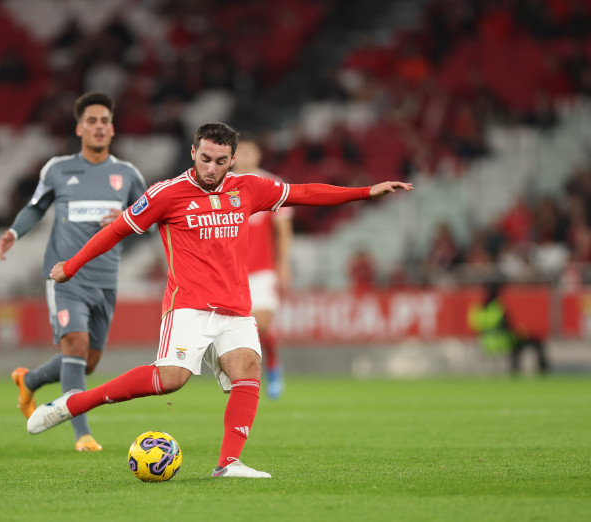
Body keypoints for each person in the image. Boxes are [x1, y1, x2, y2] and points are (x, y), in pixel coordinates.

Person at [27, 122, 413, 478]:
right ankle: (73, 404)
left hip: (235, 306)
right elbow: (116, 230)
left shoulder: (248, 188)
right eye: (205, 158)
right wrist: (73, 265)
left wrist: (366, 191)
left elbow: (304, 193)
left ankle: (228, 463)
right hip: (188, 305)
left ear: (233, 159)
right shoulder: (166, 193)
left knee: (248, 368)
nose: (211, 168)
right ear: (193, 151)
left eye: (221, 161)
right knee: (170, 380)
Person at [0, 92, 146, 452]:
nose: (98, 127)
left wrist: (128, 220)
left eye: (104, 121)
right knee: (75, 346)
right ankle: (82, 435)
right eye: (91, 121)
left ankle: (29, 380)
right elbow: (35, 207)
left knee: (87, 362)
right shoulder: (58, 169)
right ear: (79, 127)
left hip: (106, 279)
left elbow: (151, 220)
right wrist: (14, 232)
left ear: (112, 129)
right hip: (66, 278)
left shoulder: (127, 175)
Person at [231, 136, 292, 399]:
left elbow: (284, 228)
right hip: (230, 271)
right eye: (240, 152)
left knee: (263, 324)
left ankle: (273, 367)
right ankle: (243, 376)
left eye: (249, 151)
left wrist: (283, 264)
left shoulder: (272, 185)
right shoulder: (221, 184)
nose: (244, 157)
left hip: (261, 268)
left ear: (258, 155)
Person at [468, 282, 549, 375]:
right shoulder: (497, 307)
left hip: (484, 343)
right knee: (532, 343)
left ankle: (514, 370)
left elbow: (475, 328)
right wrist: (522, 332)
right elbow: (508, 327)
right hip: (502, 341)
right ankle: (519, 370)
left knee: (518, 343)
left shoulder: (476, 308)